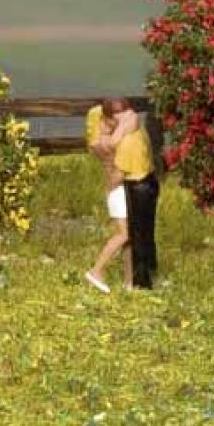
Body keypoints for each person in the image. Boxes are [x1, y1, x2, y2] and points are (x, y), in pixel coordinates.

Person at [95, 97, 158, 289]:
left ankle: (140, 281)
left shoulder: (126, 141)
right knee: (144, 232)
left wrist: (108, 190)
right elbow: (130, 118)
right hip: (149, 180)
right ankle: (141, 275)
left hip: (136, 186)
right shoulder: (138, 131)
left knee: (135, 234)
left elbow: (119, 174)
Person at [83, 103, 131, 293]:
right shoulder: (107, 143)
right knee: (124, 234)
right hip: (118, 190)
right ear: (103, 120)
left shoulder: (97, 142)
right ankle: (96, 270)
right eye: (113, 118)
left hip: (116, 190)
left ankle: (129, 281)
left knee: (129, 237)